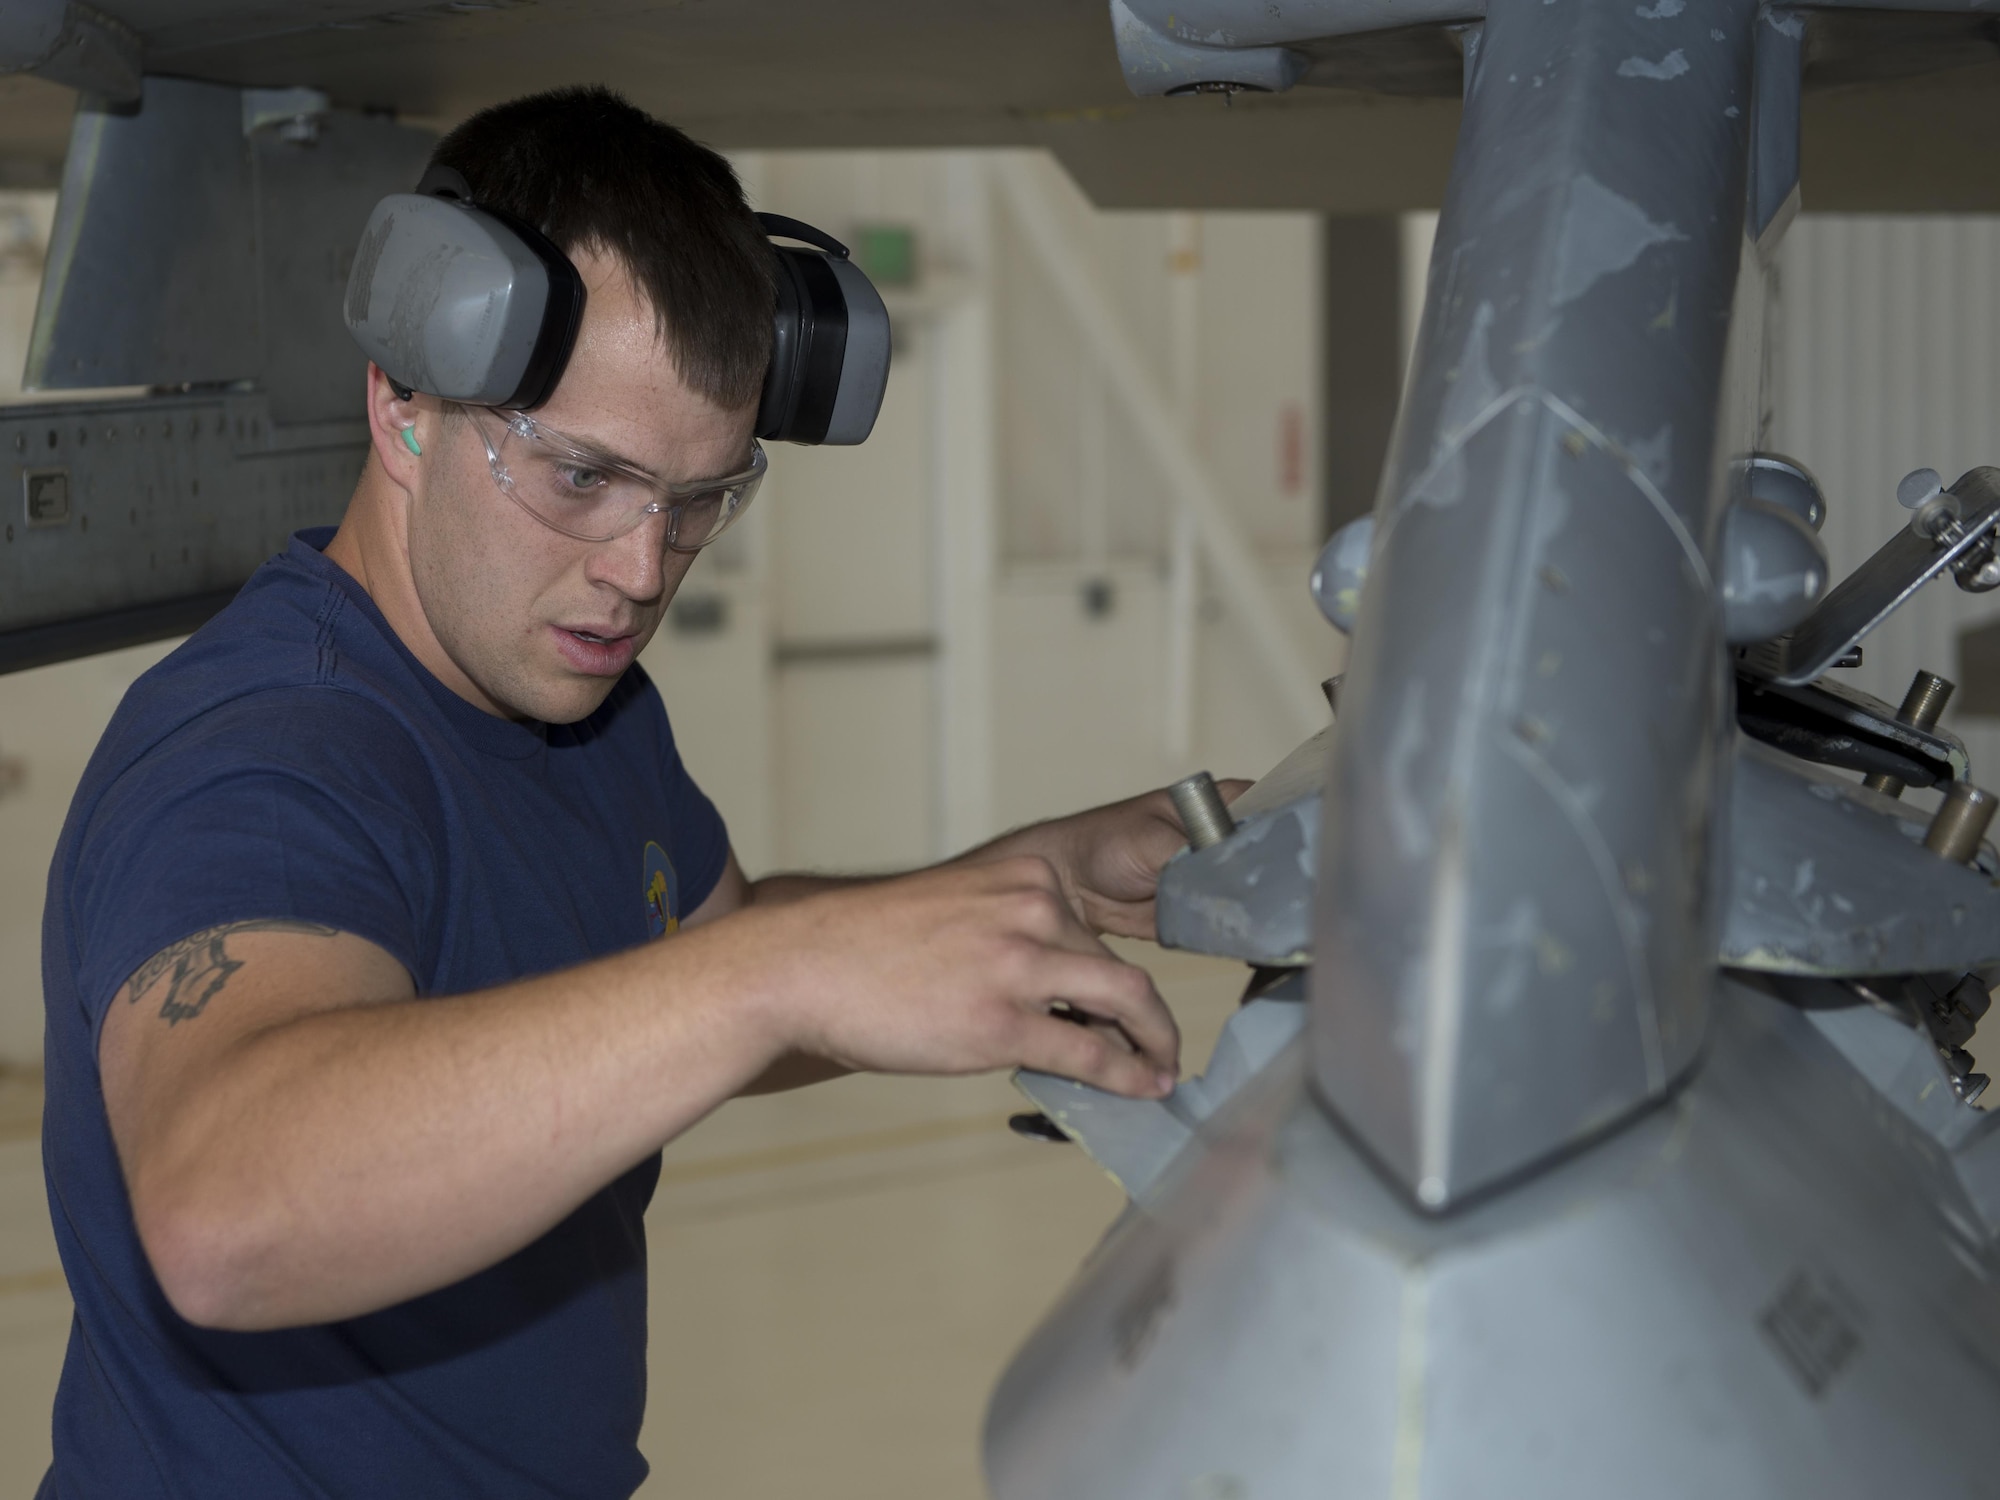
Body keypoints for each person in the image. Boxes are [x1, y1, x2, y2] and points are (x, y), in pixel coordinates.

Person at [37, 85, 1217, 1499]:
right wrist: (778, 972)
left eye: (701, 500)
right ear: (404, 403)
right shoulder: (272, 757)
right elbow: (224, 1208)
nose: (642, 568)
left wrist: (1048, 884)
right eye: (584, 478)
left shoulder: (586, 713)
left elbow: (699, 963)